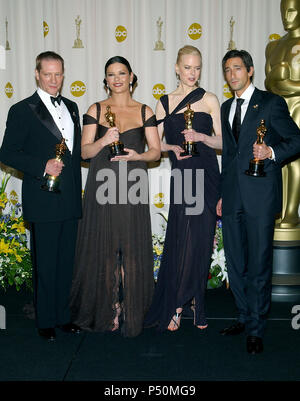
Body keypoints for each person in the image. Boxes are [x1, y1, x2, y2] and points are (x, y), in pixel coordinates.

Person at [70, 56, 160, 338]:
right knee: (105, 246)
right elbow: (84, 152)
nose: (117, 79)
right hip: (102, 183)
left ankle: (130, 308)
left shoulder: (145, 110)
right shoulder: (95, 109)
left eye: (122, 73)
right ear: (105, 79)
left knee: (130, 247)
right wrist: (103, 141)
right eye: (111, 74)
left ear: (132, 76)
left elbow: (156, 152)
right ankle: (109, 308)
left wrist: (138, 155)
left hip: (132, 181)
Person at [218, 49, 300, 354]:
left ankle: (256, 328)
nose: (232, 75)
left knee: (259, 263)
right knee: (236, 262)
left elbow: (296, 140)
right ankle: (242, 315)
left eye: (237, 68)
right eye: (227, 70)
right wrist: (221, 197)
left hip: (261, 195)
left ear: (250, 71)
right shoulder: (226, 106)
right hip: (233, 195)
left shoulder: (270, 102)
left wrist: (271, 153)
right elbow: (228, 156)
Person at [0, 51, 82, 341]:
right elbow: (6, 152)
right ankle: (45, 320)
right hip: (42, 197)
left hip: (70, 199)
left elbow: (76, 154)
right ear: (37, 74)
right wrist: (41, 166)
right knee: (45, 263)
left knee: (65, 262)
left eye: (58, 73)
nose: (53, 80)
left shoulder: (72, 107)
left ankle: (62, 317)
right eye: (47, 74)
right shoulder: (21, 109)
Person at [144, 45, 222, 332]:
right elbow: (153, 145)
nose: (193, 73)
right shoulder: (163, 103)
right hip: (185, 177)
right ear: (177, 68)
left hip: (208, 176)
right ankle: (178, 302)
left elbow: (224, 142)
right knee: (184, 240)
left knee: (201, 242)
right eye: (187, 67)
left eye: (197, 67)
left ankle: (194, 302)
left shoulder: (210, 99)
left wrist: (201, 136)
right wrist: (172, 148)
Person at [265, 0, 300, 229]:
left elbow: (276, 82)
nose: (287, 15)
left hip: (298, 105)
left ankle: (291, 213)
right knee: (276, 157)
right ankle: (279, 209)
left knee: (295, 158)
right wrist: (280, 79)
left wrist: (283, 80)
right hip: (278, 107)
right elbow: (268, 83)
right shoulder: (273, 46)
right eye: (283, 10)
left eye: (293, 10)